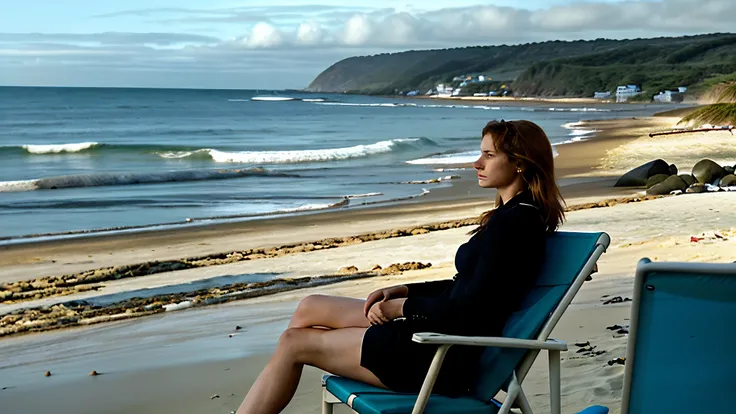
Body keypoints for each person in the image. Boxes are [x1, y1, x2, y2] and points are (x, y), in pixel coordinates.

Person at [236, 119, 566, 414]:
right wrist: (404, 290)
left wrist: (401, 308)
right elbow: (465, 286)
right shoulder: (513, 216)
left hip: (440, 355)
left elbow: (470, 309)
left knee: (295, 342)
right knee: (310, 307)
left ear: (520, 163)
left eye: (489, 156)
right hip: (442, 335)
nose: (476, 163)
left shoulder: (516, 224)